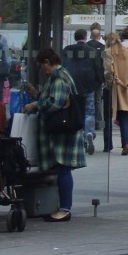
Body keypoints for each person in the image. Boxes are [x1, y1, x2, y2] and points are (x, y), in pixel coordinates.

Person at [22, 48, 85, 222]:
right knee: (62, 169)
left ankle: (64, 209)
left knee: (63, 169)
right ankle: (60, 206)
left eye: (42, 67)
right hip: (64, 131)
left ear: (48, 63)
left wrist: (35, 104)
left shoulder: (58, 77)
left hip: (62, 133)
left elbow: (55, 103)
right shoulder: (63, 75)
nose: (43, 71)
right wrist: (36, 93)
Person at [62, 29, 101, 155]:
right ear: (86, 37)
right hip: (88, 85)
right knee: (89, 110)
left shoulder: (67, 50)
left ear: (75, 37)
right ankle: (89, 132)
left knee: (73, 110)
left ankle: (75, 137)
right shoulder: (92, 51)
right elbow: (98, 68)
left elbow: (63, 66)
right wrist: (99, 82)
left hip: (71, 85)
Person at [103, 31, 128, 155]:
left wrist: (108, 84)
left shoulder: (107, 52)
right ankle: (126, 143)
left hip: (113, 87)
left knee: (108, 117)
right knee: (124, 117)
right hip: (126, 87)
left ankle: (108, 145)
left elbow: (108, 71)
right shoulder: (127, 50)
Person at [88, 22, 106, 132]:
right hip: (98, 77)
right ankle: (99, 123)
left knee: (88, 100)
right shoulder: (103, 48)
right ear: (99, 36)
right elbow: (105, 63)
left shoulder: (86, 46)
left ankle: (88, 122)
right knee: (98, 100)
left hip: (88, 77)